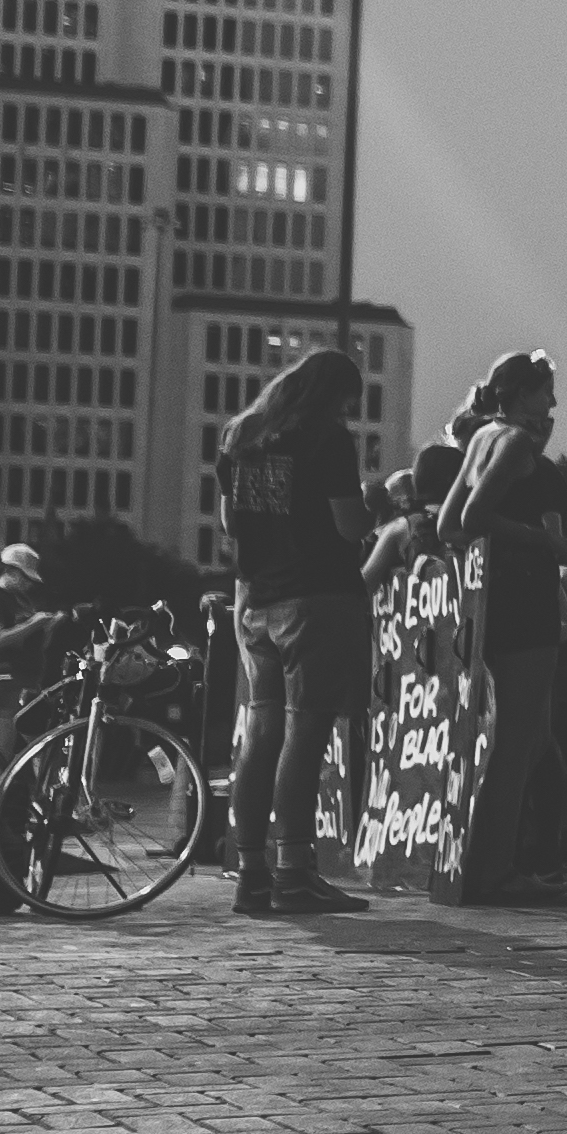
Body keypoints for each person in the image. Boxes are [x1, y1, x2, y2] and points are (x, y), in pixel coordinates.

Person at [215, 335, 377, 913]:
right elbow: (349, 526)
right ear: (331, 397)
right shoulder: (326, 440)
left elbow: (231, 528)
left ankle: (251, 873)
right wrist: (378, 506)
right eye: (346, 403)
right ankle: (294, 872)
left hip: (256, 601)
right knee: (305, 737)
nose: (347, 415)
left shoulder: (241, 439)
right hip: (314, 599)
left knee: (261, 736)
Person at [435, 353, 567, 905]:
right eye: (546, 391)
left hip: (491, 602)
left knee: (528, 737)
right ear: (522, 393)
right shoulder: (517, 443)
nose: (551, 403)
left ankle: (494, 863)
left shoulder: (480, 438)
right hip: (524, 602)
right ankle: (492, 871)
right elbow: (472, 519)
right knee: (515, 744)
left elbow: (450, 524)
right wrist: (546, 542)